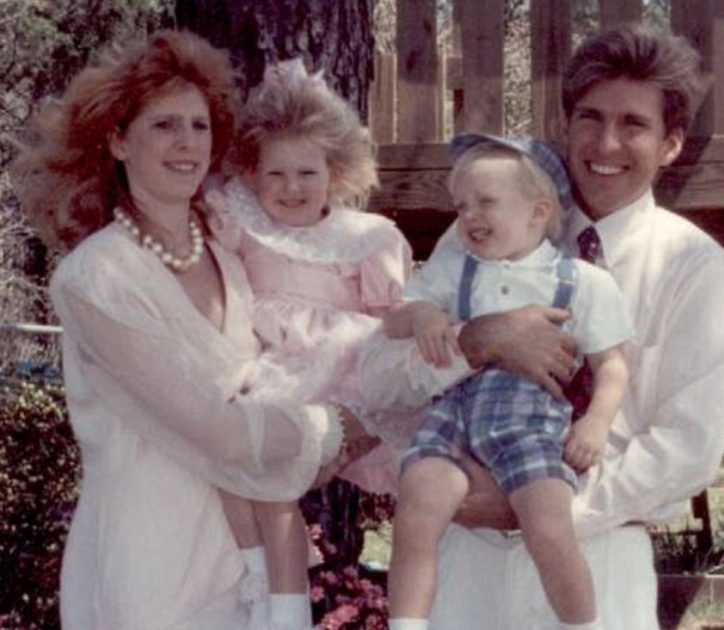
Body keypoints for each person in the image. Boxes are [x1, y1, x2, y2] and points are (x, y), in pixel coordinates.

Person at [358, 23, 724, 629]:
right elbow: (376, 380)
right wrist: (473, 340)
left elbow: (686, 448)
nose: (606, 142)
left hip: (599, 552)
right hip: (470, 563)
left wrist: (534, 505)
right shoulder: (483, 234)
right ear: (564, 125)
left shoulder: (694, 268)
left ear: (671, 144)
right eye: (589, 117)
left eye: (634, 124)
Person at [11, 30, 376, 630]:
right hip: (153, 568)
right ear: (117, 140)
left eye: (199, 125)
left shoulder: (231, 257)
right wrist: (338, 427)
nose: (187, 144)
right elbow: (215, 427)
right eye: (163, 126)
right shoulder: (97, 277)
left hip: (251, 558)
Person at [384, 137, 632, 630]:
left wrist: (595, 425)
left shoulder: (581, 281)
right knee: (417, 505)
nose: (468, 215)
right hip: (453, 413)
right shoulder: (454, 268)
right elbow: (393, 318)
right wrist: (423, 316)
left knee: (549, 528)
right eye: (461, 205)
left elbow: (614, 366)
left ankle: (584, 624)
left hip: (529, 421)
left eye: (486, 202)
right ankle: (407, 624)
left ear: (538, 213)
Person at [204, 58, 412, 629]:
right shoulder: (242, 223)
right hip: (269, 364)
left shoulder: (367, 239)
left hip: (341, 367)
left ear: (336, 173)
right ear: (251, 174)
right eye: (274, 174)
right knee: (243, 469)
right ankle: (267, 589)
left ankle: (290, 606)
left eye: (307, 173)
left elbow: (389, 322)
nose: (291, 188)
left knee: (276, 470)